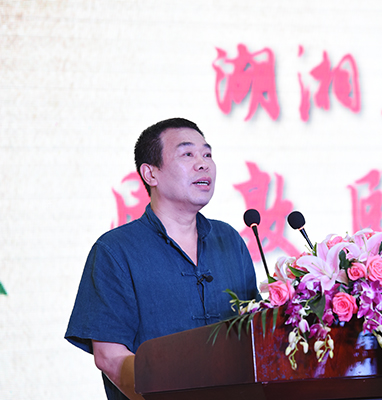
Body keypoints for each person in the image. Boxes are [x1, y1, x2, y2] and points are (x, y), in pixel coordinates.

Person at [65, 118, 259, 400]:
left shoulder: (228, 240)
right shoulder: (115, 250)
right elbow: (109, 356)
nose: (203, 164)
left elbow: (254, 331)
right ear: (150, 174)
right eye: (187, 154)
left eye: (207, 155)